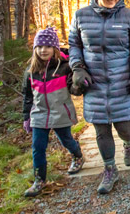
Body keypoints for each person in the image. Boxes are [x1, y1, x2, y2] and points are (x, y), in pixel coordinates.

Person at [68, 0, 130, 194]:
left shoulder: (129, 16)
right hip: (94, 83)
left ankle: (129, 144)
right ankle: (110, 169)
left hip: (122, 81)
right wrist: (78, 68)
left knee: (125, 127)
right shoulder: (81, 16)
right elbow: (74, 45)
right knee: (101, 131)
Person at [22, 27, 85, 197]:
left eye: (47, 46)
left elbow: (74, 89)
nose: (43, 50)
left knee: (66, 140)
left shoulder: (64, 67)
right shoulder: (31, 71)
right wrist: (26, 117)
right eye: (40, 47)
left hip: (60, 112)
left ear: (55, 48)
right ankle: (39, 180)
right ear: (35, 49)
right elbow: (27, 96)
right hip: (39, 114)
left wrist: (79, 84)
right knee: (38, 147)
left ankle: (77, 155)